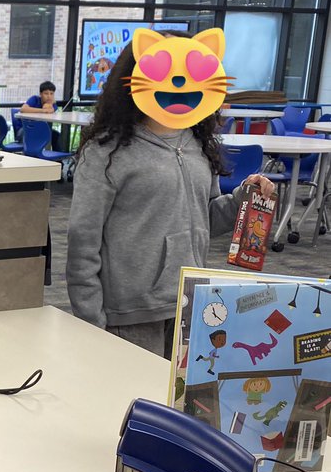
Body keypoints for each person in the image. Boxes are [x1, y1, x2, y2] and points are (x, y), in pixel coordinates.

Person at [66, 40, 274, 358]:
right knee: (131, 403)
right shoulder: (107, 152)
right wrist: (91, 322)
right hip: (129, 315)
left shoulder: (198, 143)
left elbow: (204, 218)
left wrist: (241, 200)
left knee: (177, 404)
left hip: (191, 306)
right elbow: (83, 242)